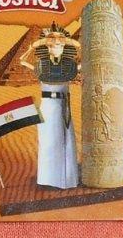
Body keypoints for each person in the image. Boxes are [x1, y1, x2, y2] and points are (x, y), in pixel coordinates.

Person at [19, 24, 81, 189]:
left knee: (66, 140)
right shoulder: (41, 66)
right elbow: (22, 61)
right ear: (46, 47)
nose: (56, 48)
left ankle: (67, 180)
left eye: (60, 45)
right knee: (48, 141)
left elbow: (84, 61)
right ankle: (48, 179)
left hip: (63, 105)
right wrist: (32, 47)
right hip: (48, 106)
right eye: (52, 45)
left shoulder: (70, 66)